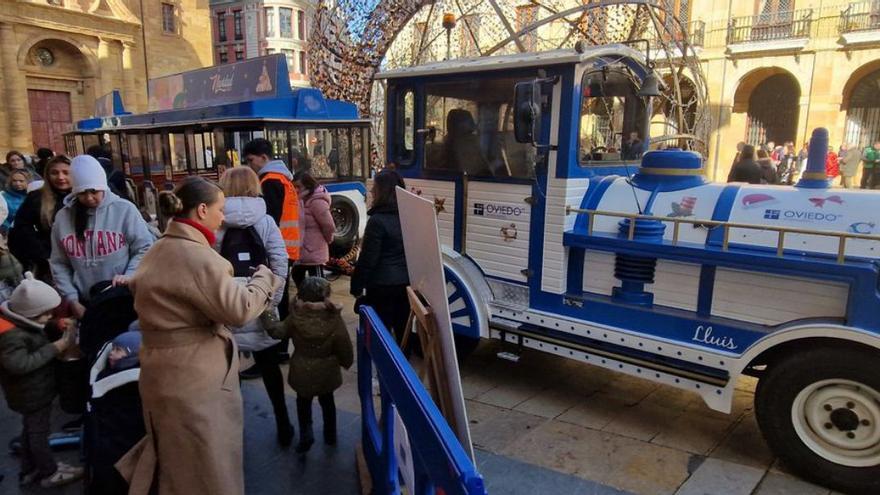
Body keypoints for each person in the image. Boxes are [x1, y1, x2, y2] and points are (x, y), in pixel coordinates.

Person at [116, 177, 283, 495]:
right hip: (194, 381)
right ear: (202, 209)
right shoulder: (198, 257)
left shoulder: (158, 249)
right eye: (220, 210)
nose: (223, 217)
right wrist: (264, 278)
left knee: (177, 462)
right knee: (208, 466)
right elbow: (240, 309)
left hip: (162, 373)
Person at [216, 167, 293, 446]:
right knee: (270, 368)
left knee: (228, 372)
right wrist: (270, 302)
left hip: (226, 306)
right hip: (258, 300)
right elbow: (280, 263)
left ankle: (234, 432)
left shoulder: (217, 220)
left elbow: (208, 265)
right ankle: (284, 423)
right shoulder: (266, 220)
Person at [0, 273, 84, 488]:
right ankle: (49, 471)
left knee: (29, 431)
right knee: (39, 433)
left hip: (33, 392)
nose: (49, 316)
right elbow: (19, 364)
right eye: (46, 314)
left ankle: (30, 469)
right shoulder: (13, 337)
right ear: (30, 313)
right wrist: (54, 348)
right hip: (32, 394)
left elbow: (38, 329)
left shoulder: (22, 322)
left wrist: (56, 325)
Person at [49, 155, 153, 319]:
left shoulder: (124, 210)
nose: (89, 198)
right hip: (83, 300)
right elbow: (59, 263)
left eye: (94, 191)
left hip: (121, 295)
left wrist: (129, 274)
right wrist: (71, 299)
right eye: (82, 193)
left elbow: (144, 248)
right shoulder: (63, 217)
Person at [266, 276, 353, 454]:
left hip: (302, 367)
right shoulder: (333, 318)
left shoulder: (296, 317)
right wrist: (346, 361)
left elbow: (278, 332)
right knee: (328, 402)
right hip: (327, 370)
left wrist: (265, 314)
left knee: (303, 403)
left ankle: (306, 433)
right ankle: (330, 435)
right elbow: (343, 343)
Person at [243, 138, 301, 321]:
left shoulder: (270, 181)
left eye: (251, 160)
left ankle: (279, 337)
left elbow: (269, 219)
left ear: (263, 157)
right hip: (286, 246)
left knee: (276, 294)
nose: (249, 165)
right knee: (281, 292)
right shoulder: (283, 179)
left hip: (276, 247)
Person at [350, 169, 410, 343]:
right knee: (402, 334)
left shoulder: (377, 221)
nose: (371, 191)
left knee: (381, 338)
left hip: (381, 286)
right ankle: (402, 367)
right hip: (405, 284)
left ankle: (384, 370)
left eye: (374, 187)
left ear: (382, 191)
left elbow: (368, 259)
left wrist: (356, 286)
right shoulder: (408, 216)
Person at [9, 156, 71, 282]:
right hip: (49, 260)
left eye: (66, 172)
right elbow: (21, 228)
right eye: (54, 173)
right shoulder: (37, 197)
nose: (60, 177)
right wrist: (42, 255)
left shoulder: (83, 196)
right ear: (47, 175)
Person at [292, 170, 335, 287]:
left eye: (298, 186)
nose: (296, 189)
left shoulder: (317, 201)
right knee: (296, 274)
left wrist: (328, 239)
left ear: (308, 185)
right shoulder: (301, 199)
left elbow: (329, 225)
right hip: (302, 251)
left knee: (318, 285)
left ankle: (319, 303)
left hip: (314, 250)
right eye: (294, 186)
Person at [1, 170, 30, 234]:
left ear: (28, 181)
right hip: (8, 231)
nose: (17, 183)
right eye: (14, 181)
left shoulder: (33, 195)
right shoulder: (3, 196)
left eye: (21, 181)